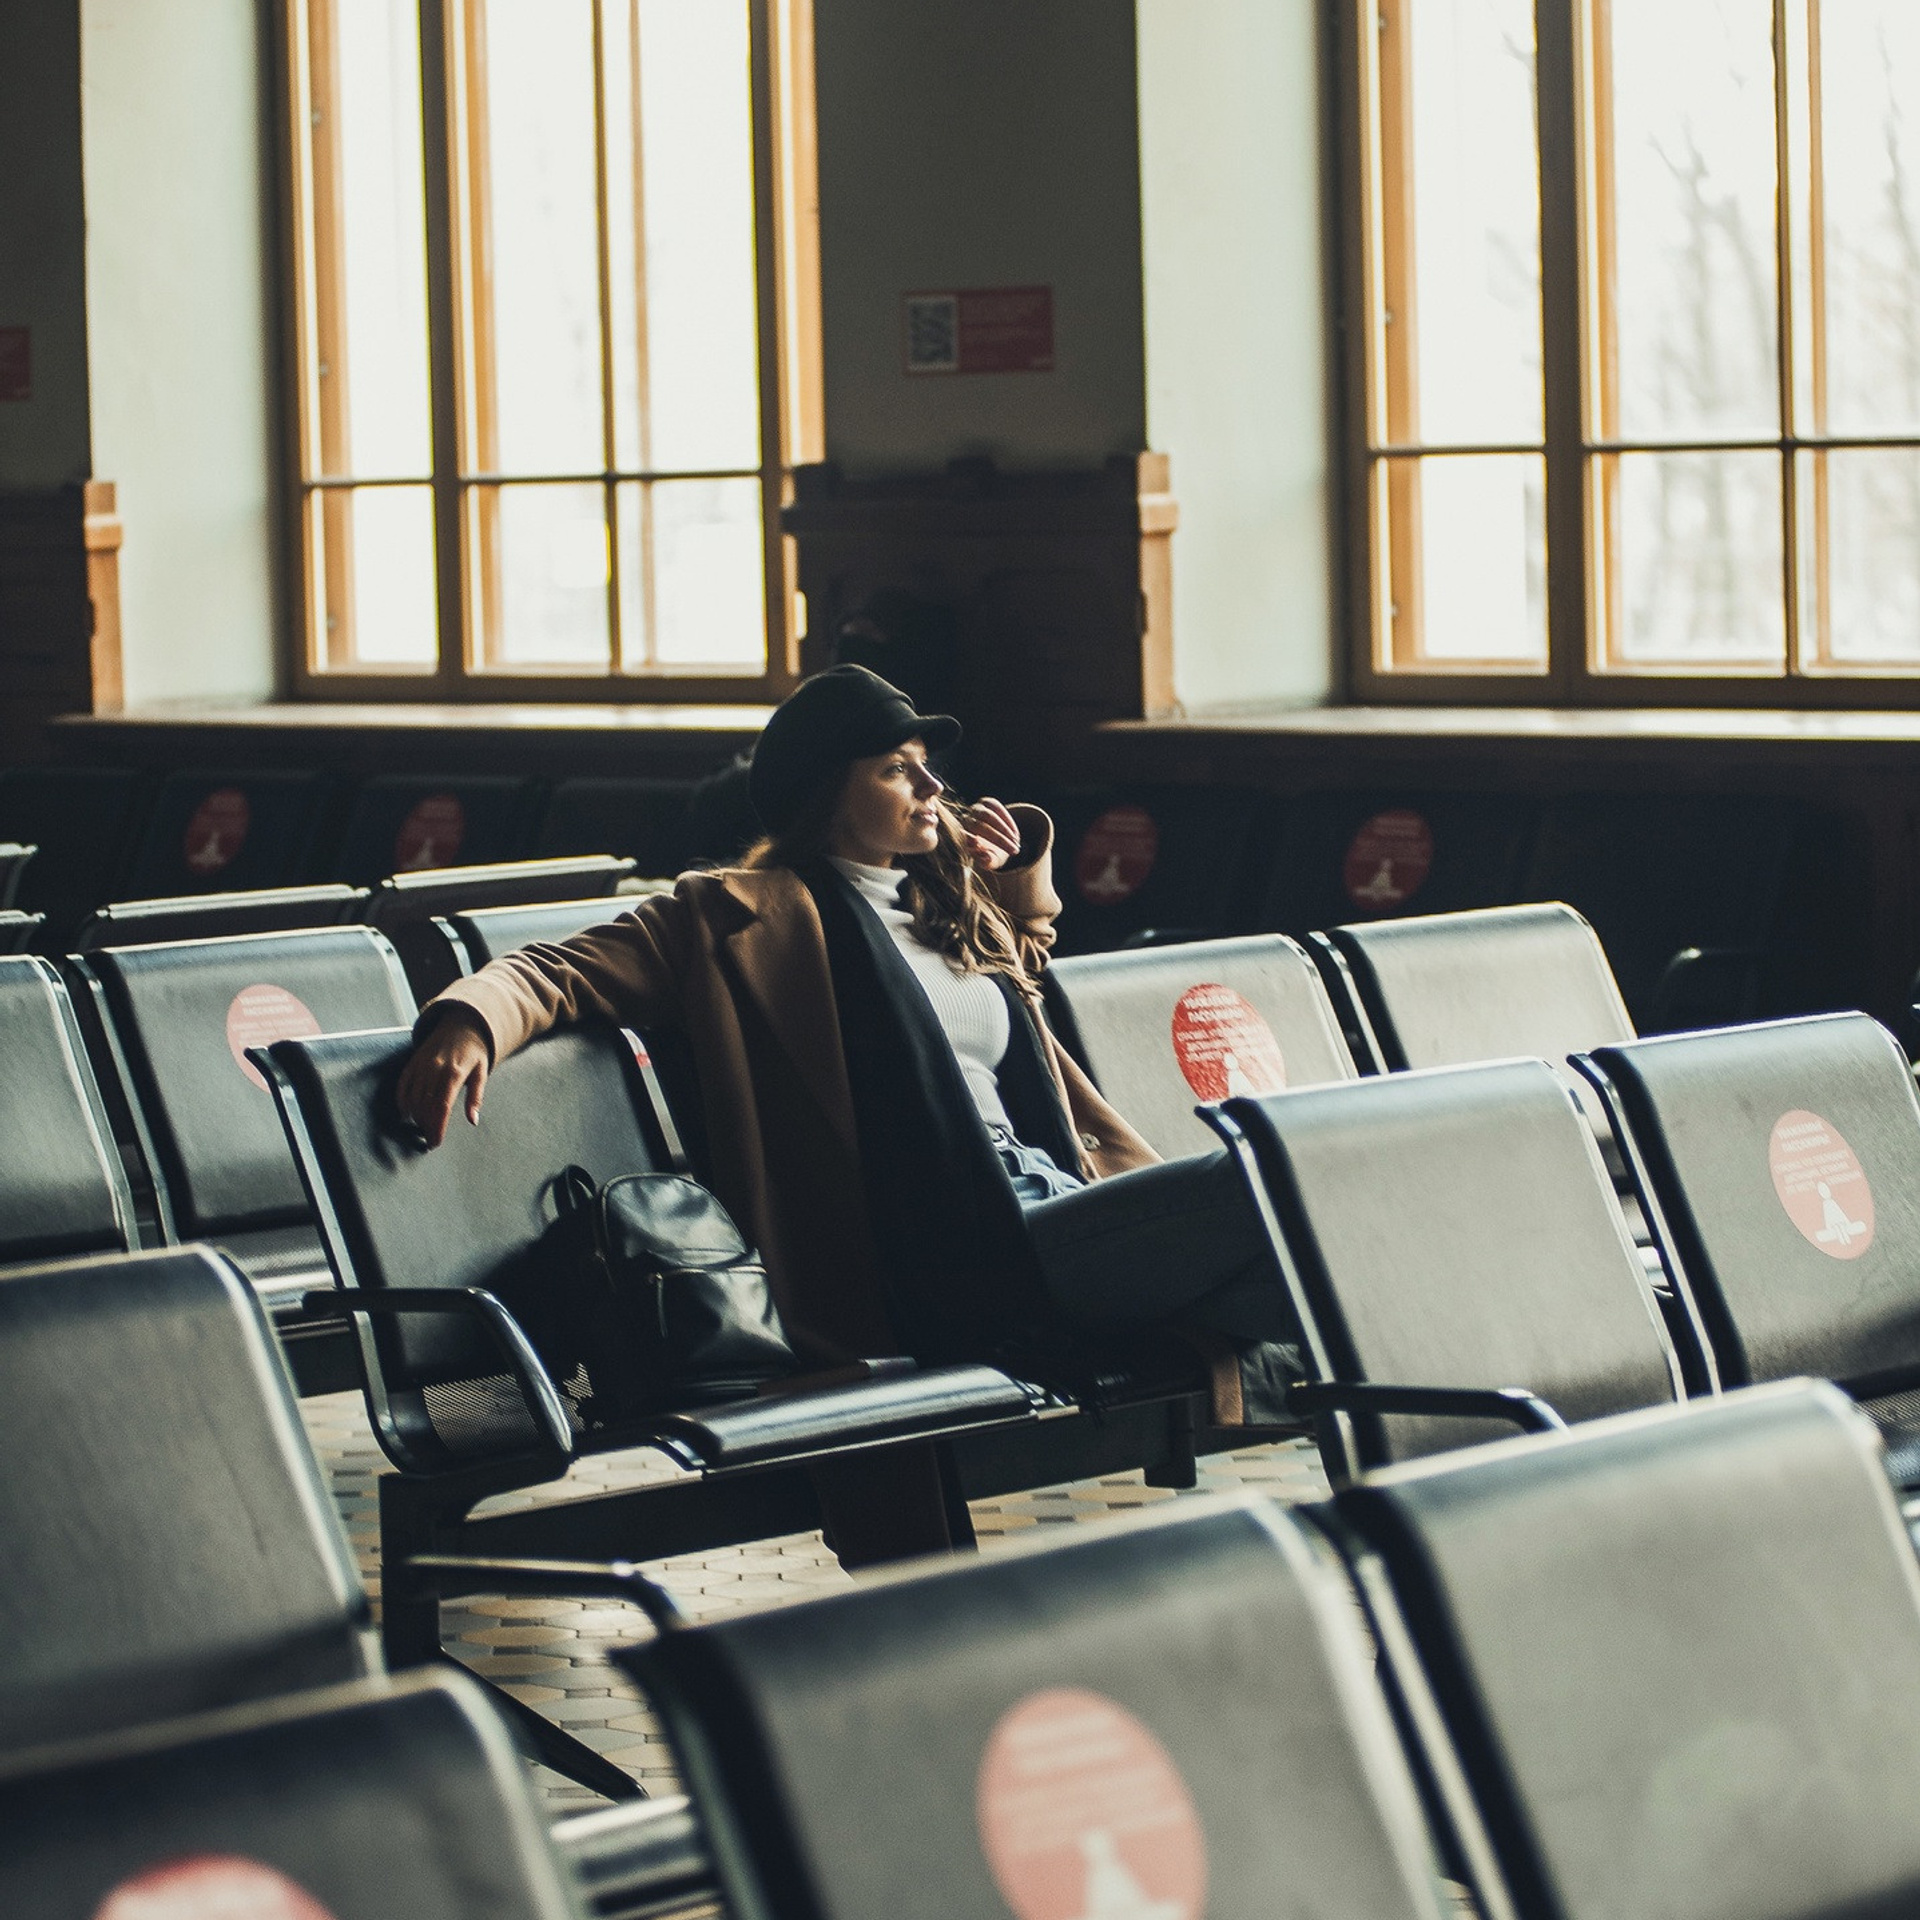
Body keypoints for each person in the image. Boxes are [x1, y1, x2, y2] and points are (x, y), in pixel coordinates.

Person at [398, 668, 1296, 1537]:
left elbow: (1028, 955)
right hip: (952, 1254)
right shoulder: (731, 917)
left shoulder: (939, 908)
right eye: (898, 769)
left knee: (1312, 1259)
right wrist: (468, 1025)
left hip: (1048, 1197)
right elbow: (556, 971)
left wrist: (1001, 866)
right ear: (829, 791)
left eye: (928, 767)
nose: (932, 786)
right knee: (1285, 1181)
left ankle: (1395, 1490)